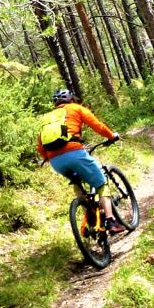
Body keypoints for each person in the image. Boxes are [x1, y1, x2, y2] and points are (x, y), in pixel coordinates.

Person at [35, 87, 125, 233]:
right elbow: (97, 126)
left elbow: (40, 146)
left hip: (55, 161)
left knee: (76, 181)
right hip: (74, 153)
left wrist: (49, 157)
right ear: (71, 98)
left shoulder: (48, 118)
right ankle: (111, 221)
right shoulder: (76, 108)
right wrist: (111, 136)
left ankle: (89, 217)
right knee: (101, 183)